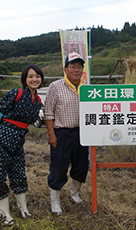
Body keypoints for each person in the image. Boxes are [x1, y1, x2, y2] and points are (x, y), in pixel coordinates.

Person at [0, 64, 44, 226]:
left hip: (17, 141)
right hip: (1, 138)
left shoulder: (37, 99)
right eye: (30, 76)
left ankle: (23, 209)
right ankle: (5, 215)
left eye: (37, 76)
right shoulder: (16, 93)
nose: (34, 79)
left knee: (18, 174)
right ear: (25, 79)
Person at [44, 52, 89, 215]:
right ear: (65, 68)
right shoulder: (55, 86)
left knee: (81, 165)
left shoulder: (87, 87)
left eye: (79, 67)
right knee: (58, 167)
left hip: (82, 133)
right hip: (61, 133)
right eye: (73, 66)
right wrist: (51, 134)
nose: (76, 70)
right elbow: (48, 113)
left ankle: (75, 194)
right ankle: (55, 201)